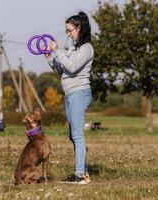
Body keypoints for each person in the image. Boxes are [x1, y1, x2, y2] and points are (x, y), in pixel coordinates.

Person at [45, 11, 94, 184]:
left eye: (70, 30)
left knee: (78, 136)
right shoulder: (74, 49)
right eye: (66, 30)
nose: (68, 34)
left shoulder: (87, 48)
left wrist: (58, 51)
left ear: (80, 28)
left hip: (79, 94)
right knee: (74, 136)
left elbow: (72, 67)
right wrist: (50, 56)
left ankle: (80, 175)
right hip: (70, 94)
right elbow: (62, 70)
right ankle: (83, 173)